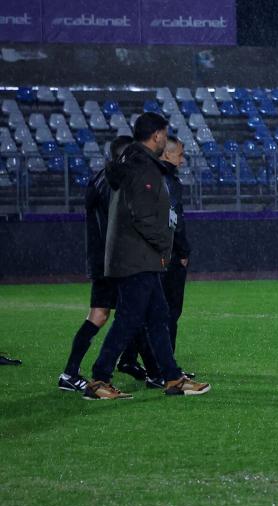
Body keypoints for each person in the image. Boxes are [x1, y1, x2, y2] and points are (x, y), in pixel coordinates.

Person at [83, 112, 210, 400]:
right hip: (137, 256)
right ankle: (99, 380)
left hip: (134, 254)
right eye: (165, 134)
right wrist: (164, 247)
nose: (166, 139)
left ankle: (172, 378)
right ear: (156, 136)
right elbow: (143, 215)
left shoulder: (130, 162)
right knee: (129, 318)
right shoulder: (144, 168)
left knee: (158, 316)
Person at [56, 136, 153, 392]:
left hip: (102, 260)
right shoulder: (114, 183)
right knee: (132, 313)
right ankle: (155, 371)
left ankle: (71, 373)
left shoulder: (98, 178)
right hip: (114, 261)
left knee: (101, 315)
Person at [124, 134, 195, 388]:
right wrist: (183, 251)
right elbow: (174, 220)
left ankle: (136, 360)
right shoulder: (167, 181)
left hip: (148, 254)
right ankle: (166, 369)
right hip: (168, 256)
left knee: (148, 311)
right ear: (167, 155)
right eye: (180, 154)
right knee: (167, 313)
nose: (183, 160)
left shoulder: (148, 178)